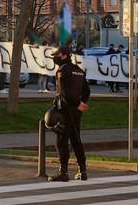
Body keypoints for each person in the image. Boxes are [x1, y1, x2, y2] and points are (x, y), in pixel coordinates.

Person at [48, 46, 91, 182]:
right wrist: (81, 103)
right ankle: (82, 171)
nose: (55, 57)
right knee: (76, 139)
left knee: (61, 141)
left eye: (57, 55)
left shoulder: (62, 70)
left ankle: (63, 172)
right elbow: (87, 90)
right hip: (76, 111)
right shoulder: (78, 70)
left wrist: (76, 104)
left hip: (65, 110)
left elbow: (65, 92)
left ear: (65, 55)